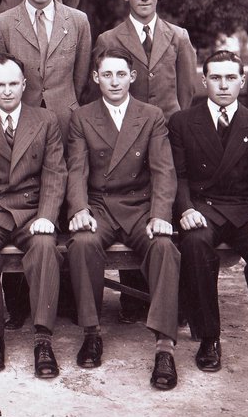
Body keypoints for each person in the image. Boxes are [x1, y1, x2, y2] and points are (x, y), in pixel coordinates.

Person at [168, 50, 248, 389]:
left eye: (230, 78)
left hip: (245, 211)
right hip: (202, 209)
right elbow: (177, 176)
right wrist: (185, 209)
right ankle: (208, 339)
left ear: (242, 81)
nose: (223, 85)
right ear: (203, 81)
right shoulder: (182, 122)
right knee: (194, 243)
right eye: (216, 78)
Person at [89, 0, 198, 323]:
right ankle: (134, 300)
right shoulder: (109, 39)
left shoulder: (178, 36)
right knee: (130, 204)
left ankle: (173, 300)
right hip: (125, 138)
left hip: (165, 135)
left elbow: (186, 91)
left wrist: (175, 129)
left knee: (164, 210)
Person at [66, 50, 181, 390]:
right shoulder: (82, 117)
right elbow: (76, 170)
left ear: (132, 77)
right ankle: (91, 332)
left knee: (164, 247)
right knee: (82, 243)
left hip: (140, 206)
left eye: (121, 74)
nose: (114, 82)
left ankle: (164, 345)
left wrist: (160, 215)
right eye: (107, 75)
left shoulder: (151, 115)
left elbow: (163, 170)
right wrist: (79, 209)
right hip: (100, 206)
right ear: (95, 78)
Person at [0, 54, 67, 376]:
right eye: (0, 84)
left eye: (13, 84)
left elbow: (55, 173)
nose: (7, 91)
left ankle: (43, 339)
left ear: (24, 85)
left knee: (45, 246)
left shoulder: (45, 119)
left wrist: (47, 215)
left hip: (32, 211)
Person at [0, 0, 92, 140]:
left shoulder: (78, 21)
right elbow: (0, 77)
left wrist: (67, 104)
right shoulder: (2, 24)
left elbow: (81, 77)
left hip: (66, 118)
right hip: (21, 119)